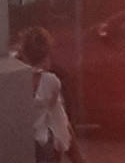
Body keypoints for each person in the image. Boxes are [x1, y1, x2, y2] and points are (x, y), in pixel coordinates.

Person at [16, 26, 86, 163]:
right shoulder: (50, 82)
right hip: (42, 148)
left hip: (19, 145)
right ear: (47, 53)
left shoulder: (15, 81)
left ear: (22, 52)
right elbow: (60, 121)